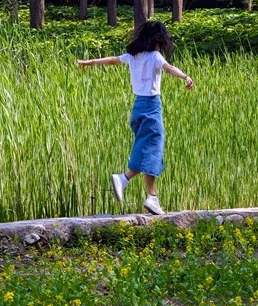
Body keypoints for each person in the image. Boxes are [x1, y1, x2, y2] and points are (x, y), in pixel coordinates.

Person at [77, 19, 194, 215]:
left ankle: (152, 197)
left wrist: (91, 62)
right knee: (153, 148)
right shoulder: (155, 56)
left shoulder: (133, 56)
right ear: (158, 40)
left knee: (148, 149)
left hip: (137, 107)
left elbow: (113, 59)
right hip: (151, 106)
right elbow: (169, 68)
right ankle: (124, 178)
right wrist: (185, 77)